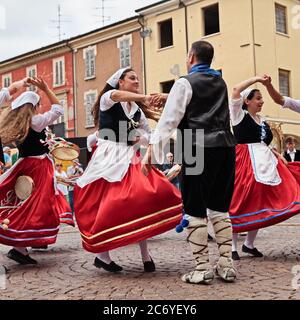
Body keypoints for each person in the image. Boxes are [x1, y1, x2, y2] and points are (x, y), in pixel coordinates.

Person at [142, 40, 237, 284]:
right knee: (220, 207)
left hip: (195, 147)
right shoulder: (220, 81)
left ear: (191, 56)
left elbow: (168, 121)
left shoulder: (184, 82)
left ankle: (202, 267)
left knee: (195, 207)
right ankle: (226, 263)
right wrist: (170, 95)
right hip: (225, 146)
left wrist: (151, 151)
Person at [74, 67, 182, 273]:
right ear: (120, 82)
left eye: (138, 78)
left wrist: (147, 146)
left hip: (130, 156)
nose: (136, 81)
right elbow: (115, 95)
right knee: (108, 204)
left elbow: (148, 136)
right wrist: (146, 97)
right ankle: (102, 255)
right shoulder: (109, 98)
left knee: (143, 199)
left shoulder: (138, 111)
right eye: (132, 78)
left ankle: (145, 255)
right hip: (108, 156)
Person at [0, 77, 72, 265]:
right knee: (36, 206)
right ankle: (20, 247)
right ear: (33, 105)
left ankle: (20, 248)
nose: (40, 107)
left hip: (25, 164)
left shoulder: (19, 123)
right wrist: (47, 89)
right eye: (38, 104)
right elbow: (58, 109)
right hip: (38, 168)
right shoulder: (36, 121)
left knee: (23, 204)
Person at [228, 75, 300, 260]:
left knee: (261, 200)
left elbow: (264, 144)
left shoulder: (262, 120)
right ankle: (233, 246)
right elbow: (236, 90)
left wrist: (278, 156)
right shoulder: (238, 116)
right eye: (258, 98)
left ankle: (249, 244)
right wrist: (257, 79)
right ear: (247, 101)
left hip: (265, 163)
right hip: (244, 162)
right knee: (240, 200)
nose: (262, 101)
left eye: (261, 98)